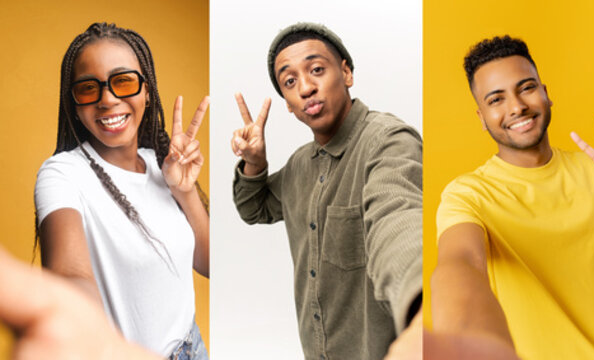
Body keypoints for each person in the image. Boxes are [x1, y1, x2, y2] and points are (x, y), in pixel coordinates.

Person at [429, 35, 594, 359]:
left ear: (545, 93)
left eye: (526, 88)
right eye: (496, 99)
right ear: (482, 118)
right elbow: (461, 264)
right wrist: (462, 336)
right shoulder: (468, 195)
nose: (516, 107)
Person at [229, 22, 424, 359]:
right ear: (288, 105)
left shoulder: (389, 141)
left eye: (316, 69)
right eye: (289, 81)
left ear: (346, 73)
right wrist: (255, 163)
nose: (305, 87)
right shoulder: (300, 165)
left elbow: (397, 219)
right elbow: (253, 208)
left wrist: (422, 308)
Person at [34, 22, 209, 359]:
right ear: (74, 104)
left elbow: (209, 262)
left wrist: (185, 192)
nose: (108, 99)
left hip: (193, 348)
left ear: (147, 91)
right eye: (88, 89)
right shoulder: (61, 174)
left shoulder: (162, 163)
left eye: (123, 81)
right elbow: (69, 275)